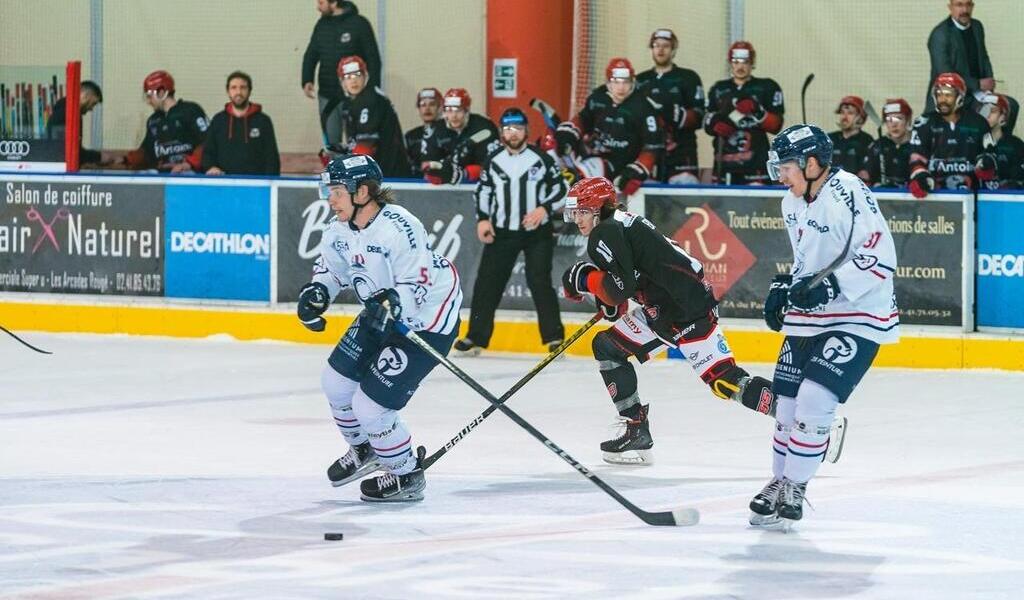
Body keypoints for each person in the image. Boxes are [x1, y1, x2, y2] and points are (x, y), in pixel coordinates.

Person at [559, 177, 847, 466]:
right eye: (575, 213)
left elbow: (617, 289)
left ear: (599, 209)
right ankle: (636, 430)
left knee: (726, 382)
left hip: (684, 310)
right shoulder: (620, 223)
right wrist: (607, 296)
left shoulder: (604, 233)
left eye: (582, 212)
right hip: (666, 307)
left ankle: (814, 425)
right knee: (608, 347)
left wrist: (585, 279)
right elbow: (629, 281)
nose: (577, 220)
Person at [751, 124, 899, 529]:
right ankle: (779, 480)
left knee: (814, 399)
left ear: (811, 163)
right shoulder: (791, 203)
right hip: (814, 313)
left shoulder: (848, 191)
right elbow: (808, 262)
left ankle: (796, 485)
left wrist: (833, 285)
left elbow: (881, 259)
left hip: (859, 311)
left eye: (786, 167)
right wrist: (784, 287)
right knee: (785, 407)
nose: (780, 175)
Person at [296, 153, 462, 502]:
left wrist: (394, 303)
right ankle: (366, 450)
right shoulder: (338, 232)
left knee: (370, 407)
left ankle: (406, 474)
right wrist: (317, 293)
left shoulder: (400, 226)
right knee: (335, 384)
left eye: (338, 191)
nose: (331, 199)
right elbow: (331, 271)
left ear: (363, 192)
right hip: (380, 311)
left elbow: (417, 285)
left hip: (426, 321)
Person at [454, 107, 567, 356]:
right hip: (502, 232)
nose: (512, 133)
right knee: (487, 283)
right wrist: (483, 220)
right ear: (501, 132)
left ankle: (554, 338)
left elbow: (562, 187)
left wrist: (544, 210)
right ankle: (476, 338)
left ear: (526, 130)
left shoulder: (541, 158)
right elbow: (483, 192)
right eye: (507, 128)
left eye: (517, 128)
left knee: (540, 282)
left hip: (537, 232)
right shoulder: (493, 160)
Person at [554, 57, 662, 195]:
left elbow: (652, 146)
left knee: (577, 180)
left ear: (632, 81)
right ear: (608, 82)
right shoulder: (598, 98)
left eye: (626, 82)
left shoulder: (643, 107)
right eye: (616, 81)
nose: (621, 87)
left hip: (622, 164)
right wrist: (568, 133)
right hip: (592, 153)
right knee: (552, 147)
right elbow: (583, 119)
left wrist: (637, 170)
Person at [704, 41, 784, 185]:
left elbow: (776, 126)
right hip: (725, 163)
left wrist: (758, 111)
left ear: (752, 63)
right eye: (736, 61)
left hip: (756, 165)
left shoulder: (766, 87)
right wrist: (714, 124)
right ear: (730, 63)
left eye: (745, 62)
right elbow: (706, 121)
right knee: (722, 205)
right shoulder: (718, 89)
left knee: (756, 206)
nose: (740, 66)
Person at [302, 0, 382, 142]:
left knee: (359, 142)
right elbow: (311, 53)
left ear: (333, 2)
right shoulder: (321, 25)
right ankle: (336, 165)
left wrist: (372, 90)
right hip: (327, 95)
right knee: (332, 143)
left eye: (321, 3)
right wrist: (307, 78)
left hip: (355, 97)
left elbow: (373, 60)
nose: (317, 8)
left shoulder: (359, 24)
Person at [635, 29, 705, 184]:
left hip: (682, 153)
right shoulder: (640, 80)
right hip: (649, 152)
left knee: (684, 200)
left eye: (666, 46)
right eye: (656, 45)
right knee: (646, 200)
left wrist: (677, 115)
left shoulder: (689, 78)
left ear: (673, 50)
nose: (660, 49)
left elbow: (700, 116)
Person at [908, 72, 994, 198]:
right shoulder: (923, 123)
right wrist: (921, 176)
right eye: (939, 94)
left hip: (972, 196)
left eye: (948, 95)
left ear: (960, 96)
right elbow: (916, 158)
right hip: (935, 196)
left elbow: (990, 155)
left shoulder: (979, 123)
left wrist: (986, 164)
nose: (942, 99)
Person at [327, 56, 410, 177]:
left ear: (366, 76)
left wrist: (346, 169)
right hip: (380, 172)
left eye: (357, 75)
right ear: (342, 82)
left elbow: (366, 145)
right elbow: (356, 143)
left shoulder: (370, 99)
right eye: (348, 77)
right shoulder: (350, 103)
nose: (353, 81)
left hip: (389, 174)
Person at [123, 70, 208, 173]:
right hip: (163, 174)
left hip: (190, 174)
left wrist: (189, 163)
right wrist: (126, 160)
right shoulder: (153, 120)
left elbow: (208, 141)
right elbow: (147, 151)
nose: (148, 101)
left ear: (161, 93)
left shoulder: (191, 111)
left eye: (149, 96)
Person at [201, 71, 281, 176]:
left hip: (256, 186)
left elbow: (272, 158)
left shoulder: (263, 121)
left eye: (243, 87)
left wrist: (269, 184)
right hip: (224, 184)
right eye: (233, 88)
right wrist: (211, 167)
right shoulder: (218, 120)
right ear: (228, 92)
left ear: (249, 91)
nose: (238, 92)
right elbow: (208, 152)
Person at [925, 0, 994, 113]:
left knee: (1010, 107)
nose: (965, 10)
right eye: (959, 5)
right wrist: (977, 84)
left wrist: (989, 84)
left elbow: (984, 57)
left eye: (968, 4)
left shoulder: (977, 26)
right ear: (950, 7)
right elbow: (945, 73)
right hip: (951, 95)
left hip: (978, 94)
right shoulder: (940, 34)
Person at [420, 88, 500, 185]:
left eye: (458, 110)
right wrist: (435, 170)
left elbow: (493, 166)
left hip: (479, 184)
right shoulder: (434, 130)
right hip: (445, 187)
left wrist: (466, 173)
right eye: (449, 110)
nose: (454, 116)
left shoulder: (484, 127)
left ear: (467, 111)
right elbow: (427, 165)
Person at [46, 80, 104, 165]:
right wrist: (99, 157)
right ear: (85, 96)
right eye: (93, 104)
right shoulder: (65, 114)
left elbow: (74, 150)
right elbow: (66, 152)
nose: (91, 109)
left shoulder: (71, 112)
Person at [859, 98, 914, 187]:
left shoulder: (917, 144)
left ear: (908, 120)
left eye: (898, 118)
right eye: (889, 119)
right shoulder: (877, 146)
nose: (893, 124)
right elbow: (866, 175)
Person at [977, 93, 1024, 189]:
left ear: (1003, 117)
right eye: (984, 111)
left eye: (992, 111)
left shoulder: (1016, 145)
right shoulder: (973, 142)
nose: (987, 115)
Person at [828, 96, 873, 178]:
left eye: (850, 113)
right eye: (842, 112)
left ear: (860, 118)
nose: (844, 117)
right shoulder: (829, 139)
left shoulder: (867, 141)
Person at [405, 87, 442, 178]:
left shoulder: (450, 134)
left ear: (440, 108)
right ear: (419, 108)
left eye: (432, 104)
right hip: (416, 183)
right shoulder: (411, 136)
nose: (427, 109)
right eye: (423, 104)